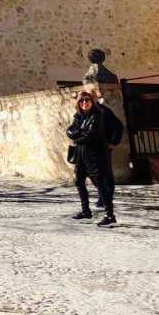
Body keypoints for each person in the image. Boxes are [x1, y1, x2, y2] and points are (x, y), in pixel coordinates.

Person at [67, 90, 116, 227]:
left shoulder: (97, 115)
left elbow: (92, 135)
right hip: (81, 154)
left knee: (99, 183)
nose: (84, 103)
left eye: (87, 100)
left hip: (95, 155)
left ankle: (109, 215)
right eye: (82, 101)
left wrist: (78, 137)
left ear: (92, 101)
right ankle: (85, 211)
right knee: (79, 181)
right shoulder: (78, 116)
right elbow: (69, 130)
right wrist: (80, 134)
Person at [89, 89, 123, 210]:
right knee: (91, 172)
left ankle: (106, 197)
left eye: (92, 96)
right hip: (89, 148)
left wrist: (113, 142)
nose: (89, 99)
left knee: (105, 173)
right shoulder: (84, 112)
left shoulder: (104, 111)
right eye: (87, 96)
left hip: (103, 147)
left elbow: (118, 126)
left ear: (96, 98)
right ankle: (104, 195)